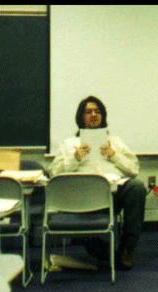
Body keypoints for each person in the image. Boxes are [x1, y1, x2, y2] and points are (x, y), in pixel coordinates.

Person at [49, 95, 146, 270]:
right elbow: (53, 173)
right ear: (81, 117)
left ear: (103, 116)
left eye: (97, 111)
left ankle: (127, 249)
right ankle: (100, 249)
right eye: (88, 112)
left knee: (137, 187)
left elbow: (134, 169)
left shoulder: (115, 141)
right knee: (93, 244)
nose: (93, 115)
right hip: (82, 198)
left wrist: (114, 155)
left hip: (112, 196)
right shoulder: (69, 143)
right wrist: (75, 158)